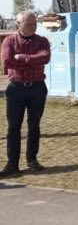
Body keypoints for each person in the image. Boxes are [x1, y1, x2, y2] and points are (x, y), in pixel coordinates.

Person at [1, 11, 51, 177]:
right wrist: (32, 60)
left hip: (37, 88)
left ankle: (32, 160)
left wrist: (23, 58)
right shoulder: (9, 41)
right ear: (18, 25)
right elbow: (7, 61)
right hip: (16, 89)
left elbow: (45, 57)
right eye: (29, 24)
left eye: (34, 24)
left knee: (34, 126)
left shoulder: (42, 41)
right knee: (14, 127)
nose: (33, 27)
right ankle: (12, 163)